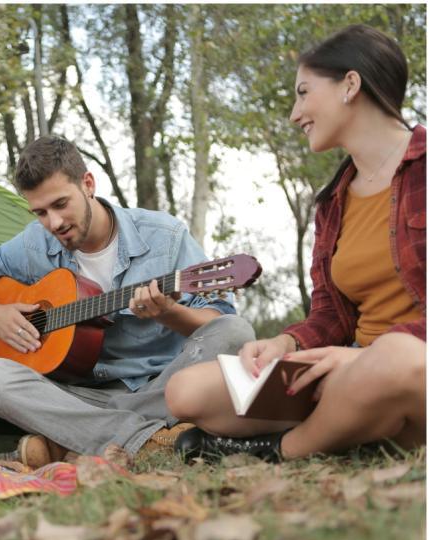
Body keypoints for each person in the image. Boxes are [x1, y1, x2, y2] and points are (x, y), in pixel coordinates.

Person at [165, 24, 425, 462]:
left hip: (410, 367)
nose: (294, 113)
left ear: (350, 85)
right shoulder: (333, 203)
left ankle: (284, 449)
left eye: (304, 92)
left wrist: (361, 360)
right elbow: (329, 313)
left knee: (395, 359)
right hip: (349, 367)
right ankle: (357, 428)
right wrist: (286, 345)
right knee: (186, 391)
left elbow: (389, 356)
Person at [0, 136, 254, 468]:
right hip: (84, 397)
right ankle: (149, 437)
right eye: (40, 212)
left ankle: (86, 437)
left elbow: (217, 320)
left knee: (235, 332)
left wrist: (169, 313)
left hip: (165, 386)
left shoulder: (165, 236)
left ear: (88, 184)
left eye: (61, 204)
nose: (53, 223)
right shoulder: (35, 244)